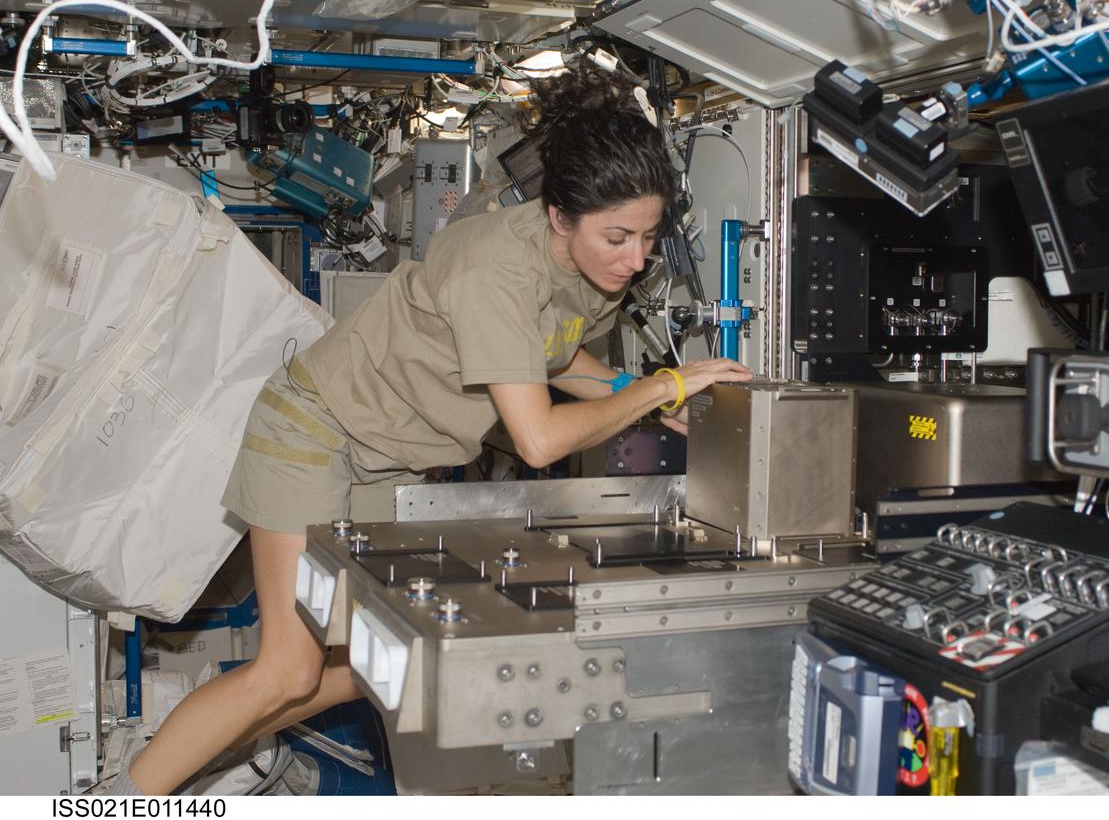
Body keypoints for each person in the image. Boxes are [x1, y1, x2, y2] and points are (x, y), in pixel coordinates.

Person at [113, 61, 753, 795]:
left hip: (389, 461)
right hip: (316, 433)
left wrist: (629, 392)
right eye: (617, 237)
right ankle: (117, 800)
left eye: (648, 236)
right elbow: (539, 439)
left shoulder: (592, 268)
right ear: (559, 218)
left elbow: (555, 352)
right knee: (288, 669)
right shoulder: (496, 269)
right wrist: (662, 384)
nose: (636, 258)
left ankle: (212, 748)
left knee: (378, 664)